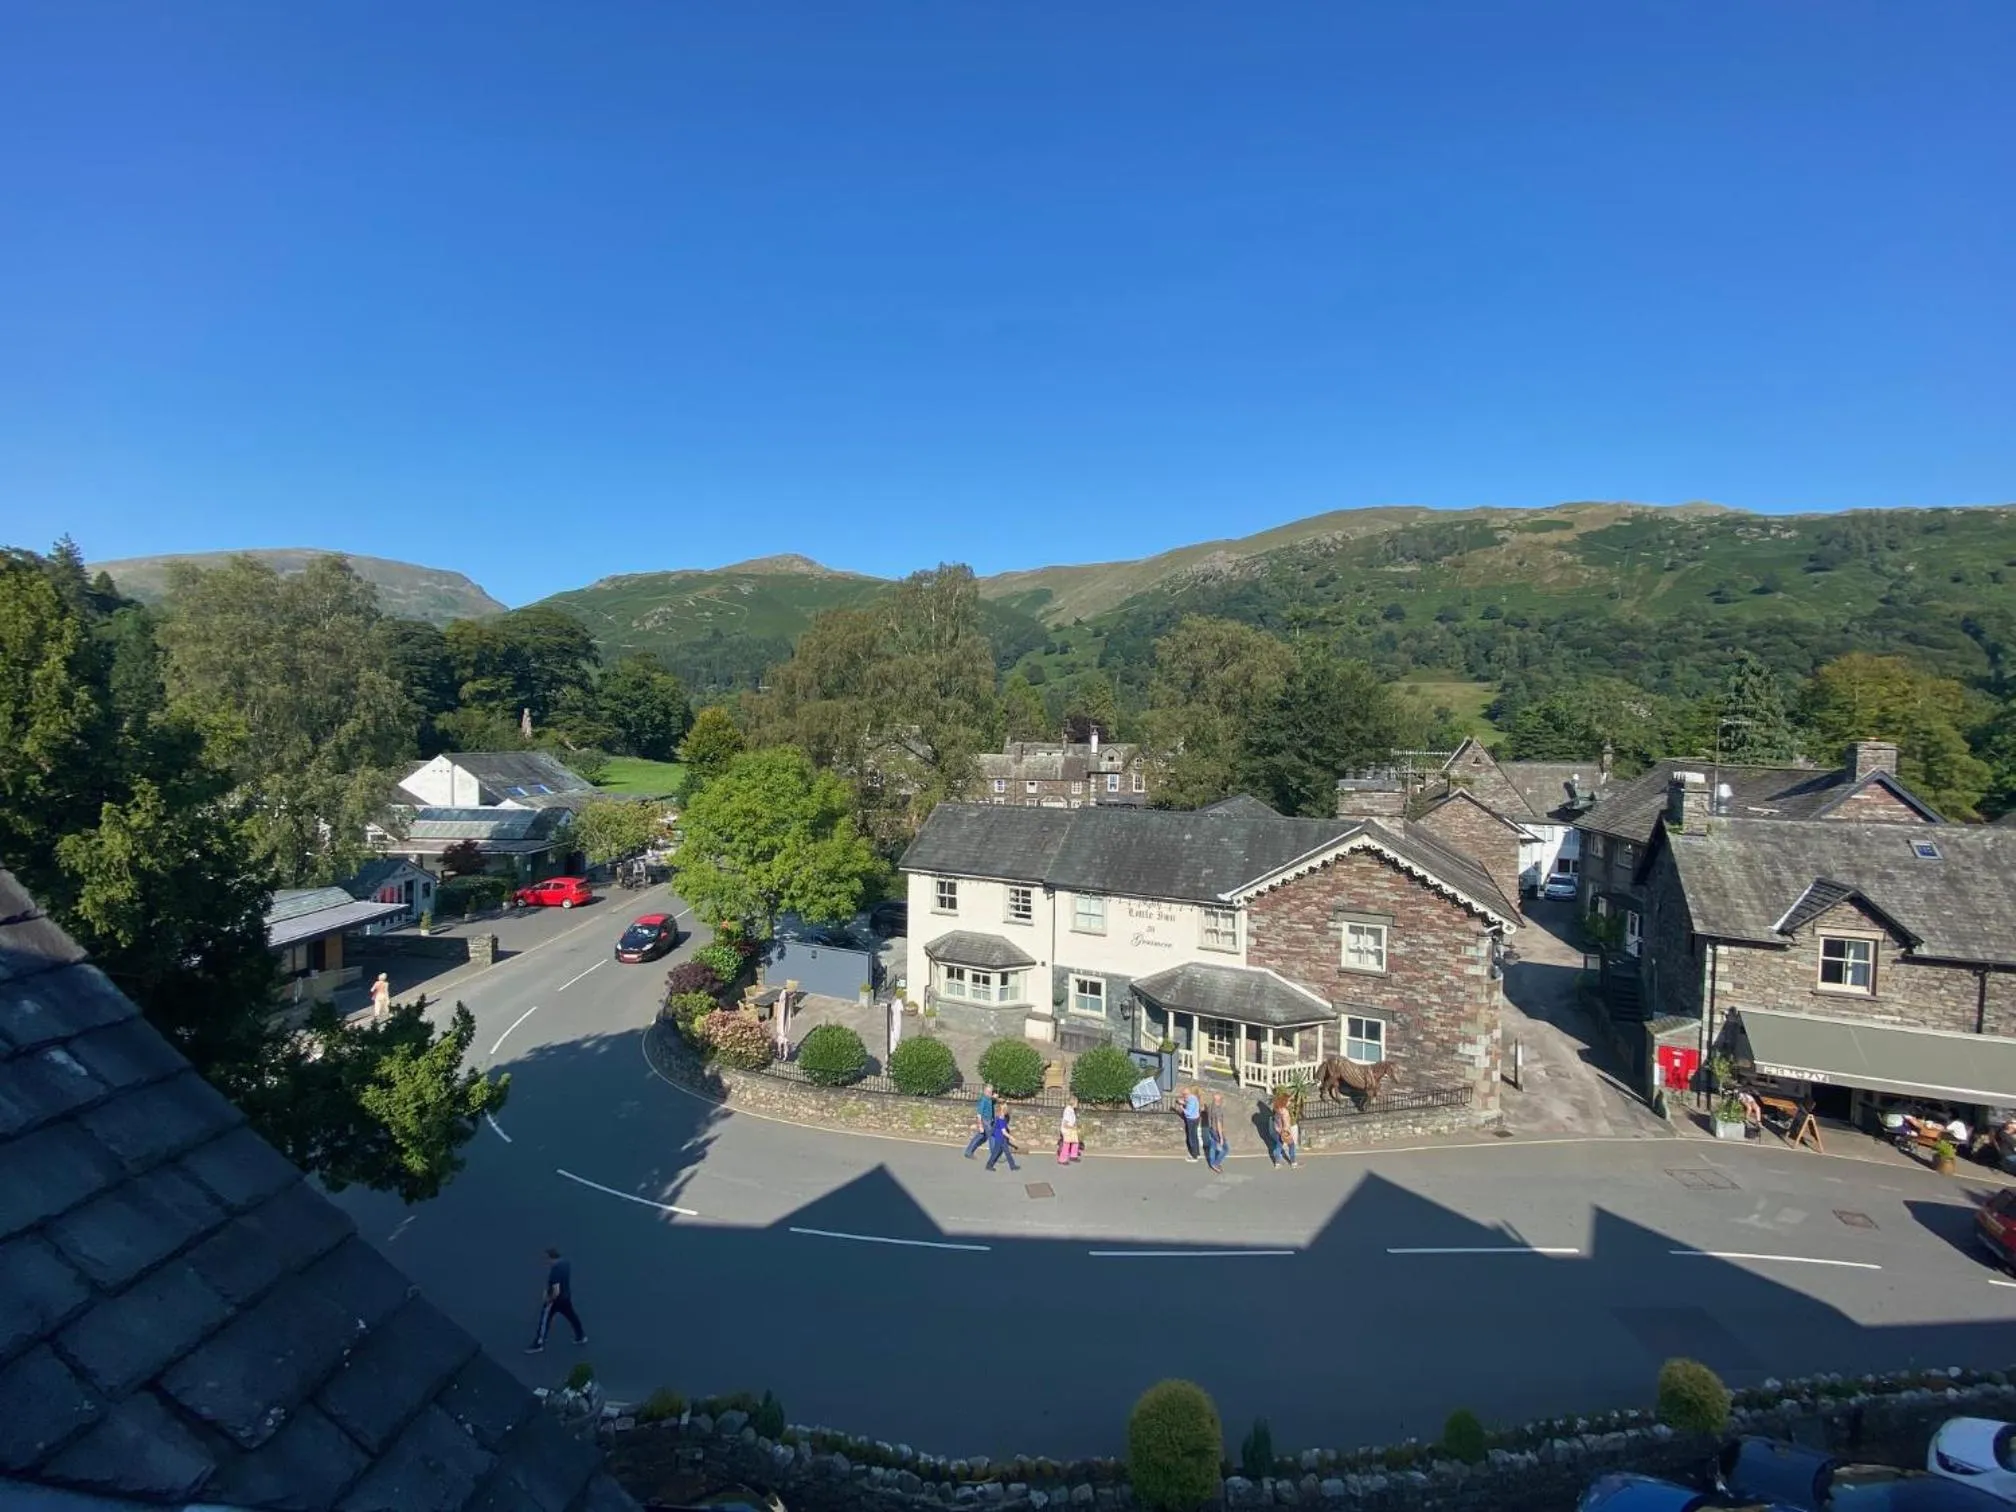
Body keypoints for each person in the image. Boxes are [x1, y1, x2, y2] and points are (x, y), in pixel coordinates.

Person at [526, 1246, 586, 1352]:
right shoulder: (566, 1264)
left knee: (544, 1320)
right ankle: (581, 1336)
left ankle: (539, 1343)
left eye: (547, 1259)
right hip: (566, 1297)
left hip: (556, 1300)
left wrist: (548, 1299)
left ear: (551, 1258)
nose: (546, 1262)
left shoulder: (555, 1271)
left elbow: (556, 1290)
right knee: (572, 1316)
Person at [963, 1084, 996, 1159]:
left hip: (988, 1120)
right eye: (988, 1092)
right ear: (984, 1091)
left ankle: (968, 1152)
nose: (989, 1093)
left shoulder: (989, 1098)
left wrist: (994, 1098)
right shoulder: (983, 1100)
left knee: (980, 1136)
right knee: (992, 1136)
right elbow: (979, 1115)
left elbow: (992, 1101)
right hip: (984, 1121)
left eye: (991, 1092)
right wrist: (980, 1126)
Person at [985, 1106, 1021, 1172]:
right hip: (1000, 1138)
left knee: (1007, 1152)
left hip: (1002, 1138)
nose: (1008, 1112)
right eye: (1007, 1111)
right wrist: (1011, 1137)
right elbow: (1004, 1132)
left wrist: (1013, 1145)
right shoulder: (1001, 1120)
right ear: (1004, 1111)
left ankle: (1012, 1166)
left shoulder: (1000, 1117)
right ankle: (989, 1165)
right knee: (995, 1153)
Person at [1269, 1091, 1298, 1170]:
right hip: (1285, 1132)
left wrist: (1278, 1130)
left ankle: (1277, 1163)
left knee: (1278, 1146)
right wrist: (1287, 1132)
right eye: (1288, 1101)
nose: (1289, 1102)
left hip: (1278, 1131)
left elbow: (1276, 1122)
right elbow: (1285, 1124)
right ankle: (1293, 1162)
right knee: (1291, 1145)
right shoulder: (1284, 1112)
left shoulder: (1277, 1110)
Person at [1205, 1092, 1228, 1172]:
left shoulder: (1210, 1106)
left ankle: (1212, 1163)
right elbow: (1218, 1123)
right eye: (1221, 1099)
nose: (1222, 1100)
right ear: (1218, 1100)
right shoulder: (1218, 1110)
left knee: (1213, 1146)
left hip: (1211, 1129)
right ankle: (1216, 1163)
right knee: (1225, 1149)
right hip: (1216, 1131)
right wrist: (1221, 1137)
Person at [1180, 1085, 1203, 1162]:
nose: (1183, 1097)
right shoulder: (1193, 1097)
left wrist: (1182, 1108)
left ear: (1186, 1094)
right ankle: (1197, 1153)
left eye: (1183, 1095)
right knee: (1195, 1136)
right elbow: (1189, 1103)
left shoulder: (1190, 1100)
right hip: (1196, 1118)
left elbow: (1188, 1113)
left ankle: (1194, 1156)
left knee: (1191, 1138)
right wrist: (1183, 1102)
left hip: (1191, 1120)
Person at [1058, 1096, 1081, 1165]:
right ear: (1073, 1102)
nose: (1077, 1104)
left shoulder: (1071, 1110)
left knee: (1075, 1142)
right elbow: (1065, 1123)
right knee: (1066, 1144)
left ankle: (1073, 1156)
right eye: (1076, 1102)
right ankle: (1062, 1159)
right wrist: (1071, 1127)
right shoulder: (1068, 1110)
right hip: (1067, 1129)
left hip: (1071, 1129)